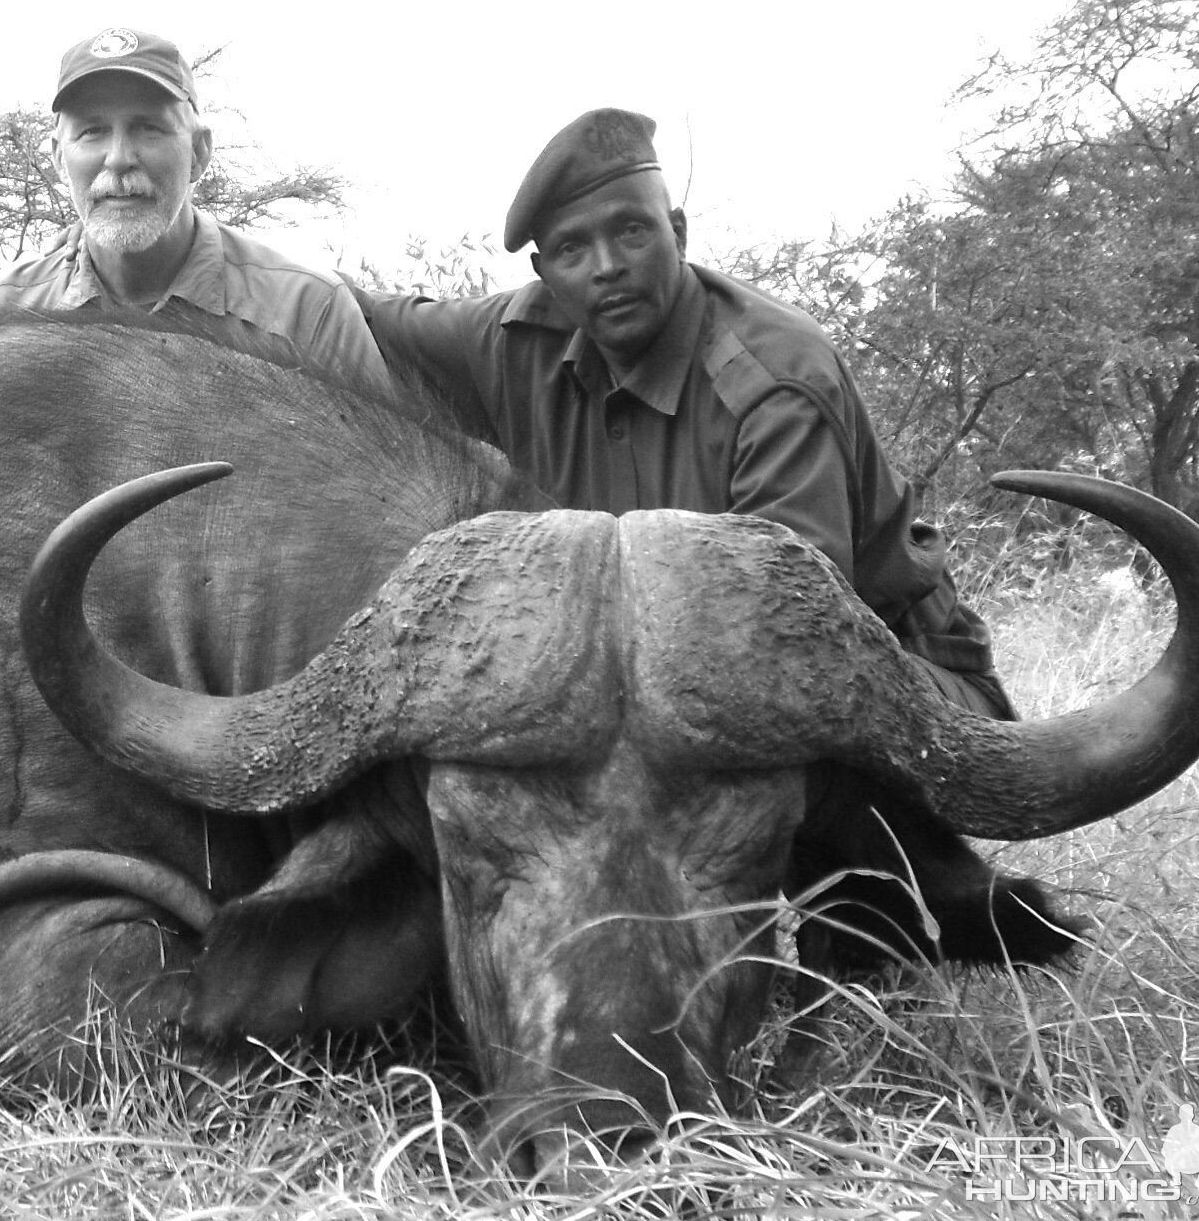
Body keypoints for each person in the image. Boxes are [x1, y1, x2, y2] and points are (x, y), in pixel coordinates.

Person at [354, 109, 1053, 984]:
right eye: (572, 249)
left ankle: (906, 903)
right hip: (651, 676)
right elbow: (356, 315)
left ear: (676, 230)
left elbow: (779, 650)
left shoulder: (773, 380)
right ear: (544, 273)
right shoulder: (512, 340)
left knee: (763, 739)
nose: (605, 266)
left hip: (876, 672)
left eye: (631, 231)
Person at [0, 27, 389, 395]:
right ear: (59, 157)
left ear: (200, 152)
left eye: (148, 128)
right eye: (92, 131)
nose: (118, 158)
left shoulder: (308, 315)